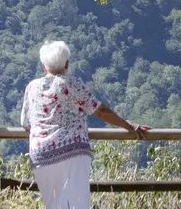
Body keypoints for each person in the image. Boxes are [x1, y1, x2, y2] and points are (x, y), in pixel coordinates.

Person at [19, 41, 150, 209]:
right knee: (76, 204)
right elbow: (100, 111)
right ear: (67, 64)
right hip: (72, 153)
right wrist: (130, 126)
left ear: (43, 66)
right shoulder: (72, 84)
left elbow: (25, 122)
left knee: (52, 205)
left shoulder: (32, 87)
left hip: (40, 155)